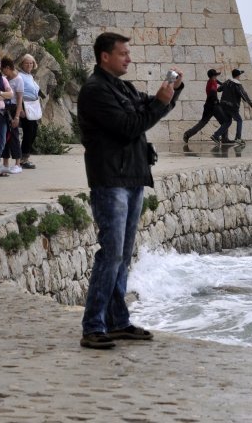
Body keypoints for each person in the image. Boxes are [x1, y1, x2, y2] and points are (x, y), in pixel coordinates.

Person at [77, 32, 184, 349]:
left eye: (128, 53)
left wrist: (170, 95)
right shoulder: (95, 91)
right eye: (123, 53)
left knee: (122, 256)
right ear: (104, 57)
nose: (129, 58)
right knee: (110, 255)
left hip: (132, 177)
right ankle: (93, 326)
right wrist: (160, 104)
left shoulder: (122, 87)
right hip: (111, 181)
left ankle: (117, 321)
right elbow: (129, 127)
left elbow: (146, 109)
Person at [182, 68, 226, 143]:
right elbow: (212, 92)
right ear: (212, 76)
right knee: (226, 121)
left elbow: (217, 82)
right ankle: (221, 137)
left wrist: (223, 84)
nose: (216, 77)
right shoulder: (212, 83)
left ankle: (187, 134)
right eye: (215, 75)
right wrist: (217, 101)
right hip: (214, 105)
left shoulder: (212, 81)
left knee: (202, 122)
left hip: (207, 106)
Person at [215, 68, 252, 145]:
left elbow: (219, 89)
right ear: (238, 75)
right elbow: (243, 95)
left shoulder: (227, 82)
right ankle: (238, 138)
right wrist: (251, 104)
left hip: (223, 105)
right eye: (240, 74)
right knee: (239, 120)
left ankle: (216, 136)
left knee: (227, 121)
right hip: (232, 107)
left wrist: (222, 83)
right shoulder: (237, 84)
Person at [0, 56, 23, 174]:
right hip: (4, 108)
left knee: (14, 136)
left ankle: (18, 164)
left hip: (13, 109)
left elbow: (19, 99)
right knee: (4, 135)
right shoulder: (4, 79)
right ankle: (5, 164)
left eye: (3, 69)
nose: (3, 72)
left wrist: (17, 116)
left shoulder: (18, 80)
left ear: (8, 68)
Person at [17, 54, 41, 169]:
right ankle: (23, 159)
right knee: (28, 132)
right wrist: (20, 108)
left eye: (31, 63)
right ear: (22, 64)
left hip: (33, 105)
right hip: (25, 104)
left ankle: (24, 156)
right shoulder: (20, 76)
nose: (29, 65)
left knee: (33, 131)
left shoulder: (30, 76)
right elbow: (18, 93)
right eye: (27, 62)